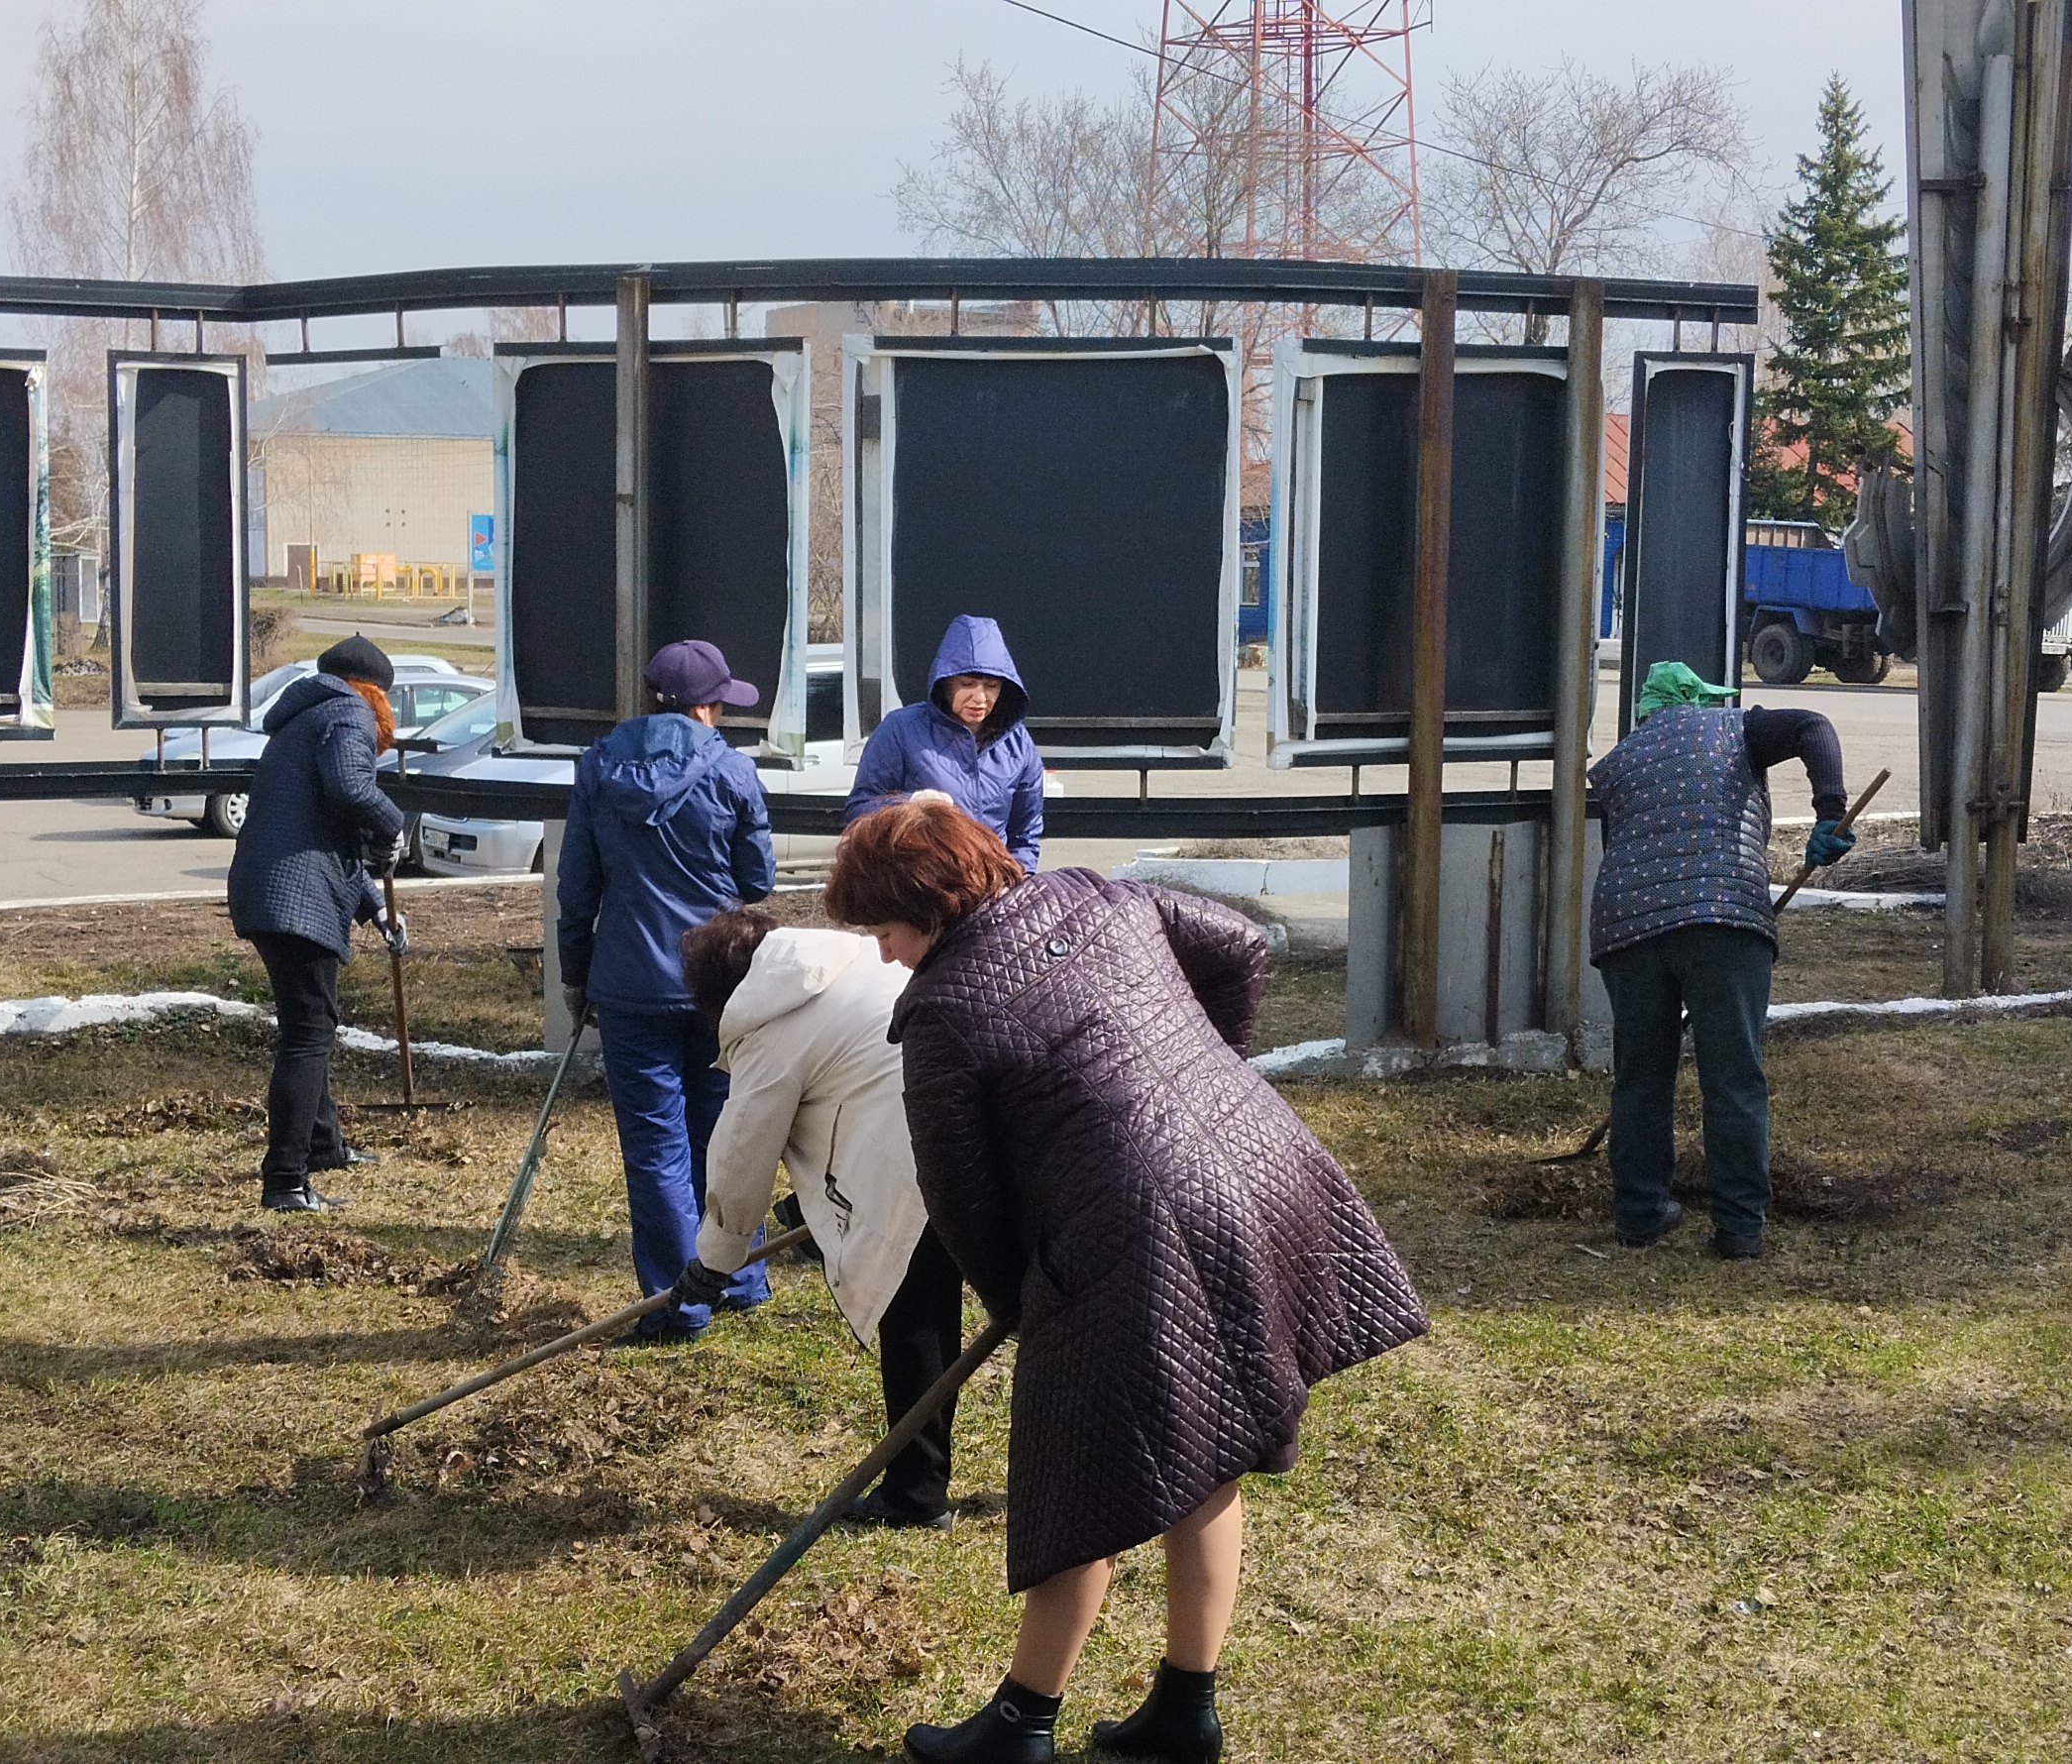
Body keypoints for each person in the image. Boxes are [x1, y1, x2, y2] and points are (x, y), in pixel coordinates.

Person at [829, 800, 1429, 1764]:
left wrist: (1024, 1299)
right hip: (1261, 1164)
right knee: (1213, 1443)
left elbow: (963, 1199)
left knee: (1078, 1472)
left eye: (885, 927)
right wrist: (1210, 1072)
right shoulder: (1094, 892)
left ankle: (1022, 1725)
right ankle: (1185, 1712)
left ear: (929, 905)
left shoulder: (948, 1008)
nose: (887, 953)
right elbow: (1239, 945)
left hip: (1132, 1233)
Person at [671, 906, 956, 1529]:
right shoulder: (851, 965)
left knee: (914, 1317)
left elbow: (741, 1156)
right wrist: (814, 1211)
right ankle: (1094, 1463)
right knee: (1030, 1312)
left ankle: (916, 1495)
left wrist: (713, 1261)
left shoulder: (769, 1032)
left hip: (914, 1159)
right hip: (970, 1129)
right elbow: (847, 1092)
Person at [1588, 660, 1852, 1260]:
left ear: (1649, 713)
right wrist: (1829, 811)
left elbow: (1624, 849)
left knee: (1641, 1077)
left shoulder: (1618, 763)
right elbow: (1813, 724)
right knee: (1733, 1076)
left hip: (1627, 927)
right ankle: (1737, 1227)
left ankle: (1640, 1215)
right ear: (1703, 703)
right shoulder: (1735, 728)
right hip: (1722, 916)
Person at [558, 638, 780, 1340]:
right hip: (718, 981)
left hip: (628, 980)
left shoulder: (597, 768)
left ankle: (675, 1303)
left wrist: (575, 973)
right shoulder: (732, 771)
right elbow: (757, 880)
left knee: (655, 1146)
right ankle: (738, 1277)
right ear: (708, 705)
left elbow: (577, 886)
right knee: (725, 1132)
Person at [226, 636, 411, 1213]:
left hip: (271, 890)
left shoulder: (301, 721)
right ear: (373, 690)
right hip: (293, 901)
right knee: (309, 1034)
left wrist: (376, 907)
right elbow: (352, 790)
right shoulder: (349, 712)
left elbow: (317, 833)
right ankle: (284, 1179)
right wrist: (394, 826)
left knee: (311, 1025)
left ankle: (324, 1144)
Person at [846, 613, 1043, 871]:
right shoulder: (900, 729)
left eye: (992, 686)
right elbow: (859, 810)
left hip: (992, 890)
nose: (980, 698)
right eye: (967, 684)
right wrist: (912, 804)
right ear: (945, 682)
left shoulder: (1018, 743)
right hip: (922, 888)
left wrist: (1015, 881)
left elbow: (1025, 834)